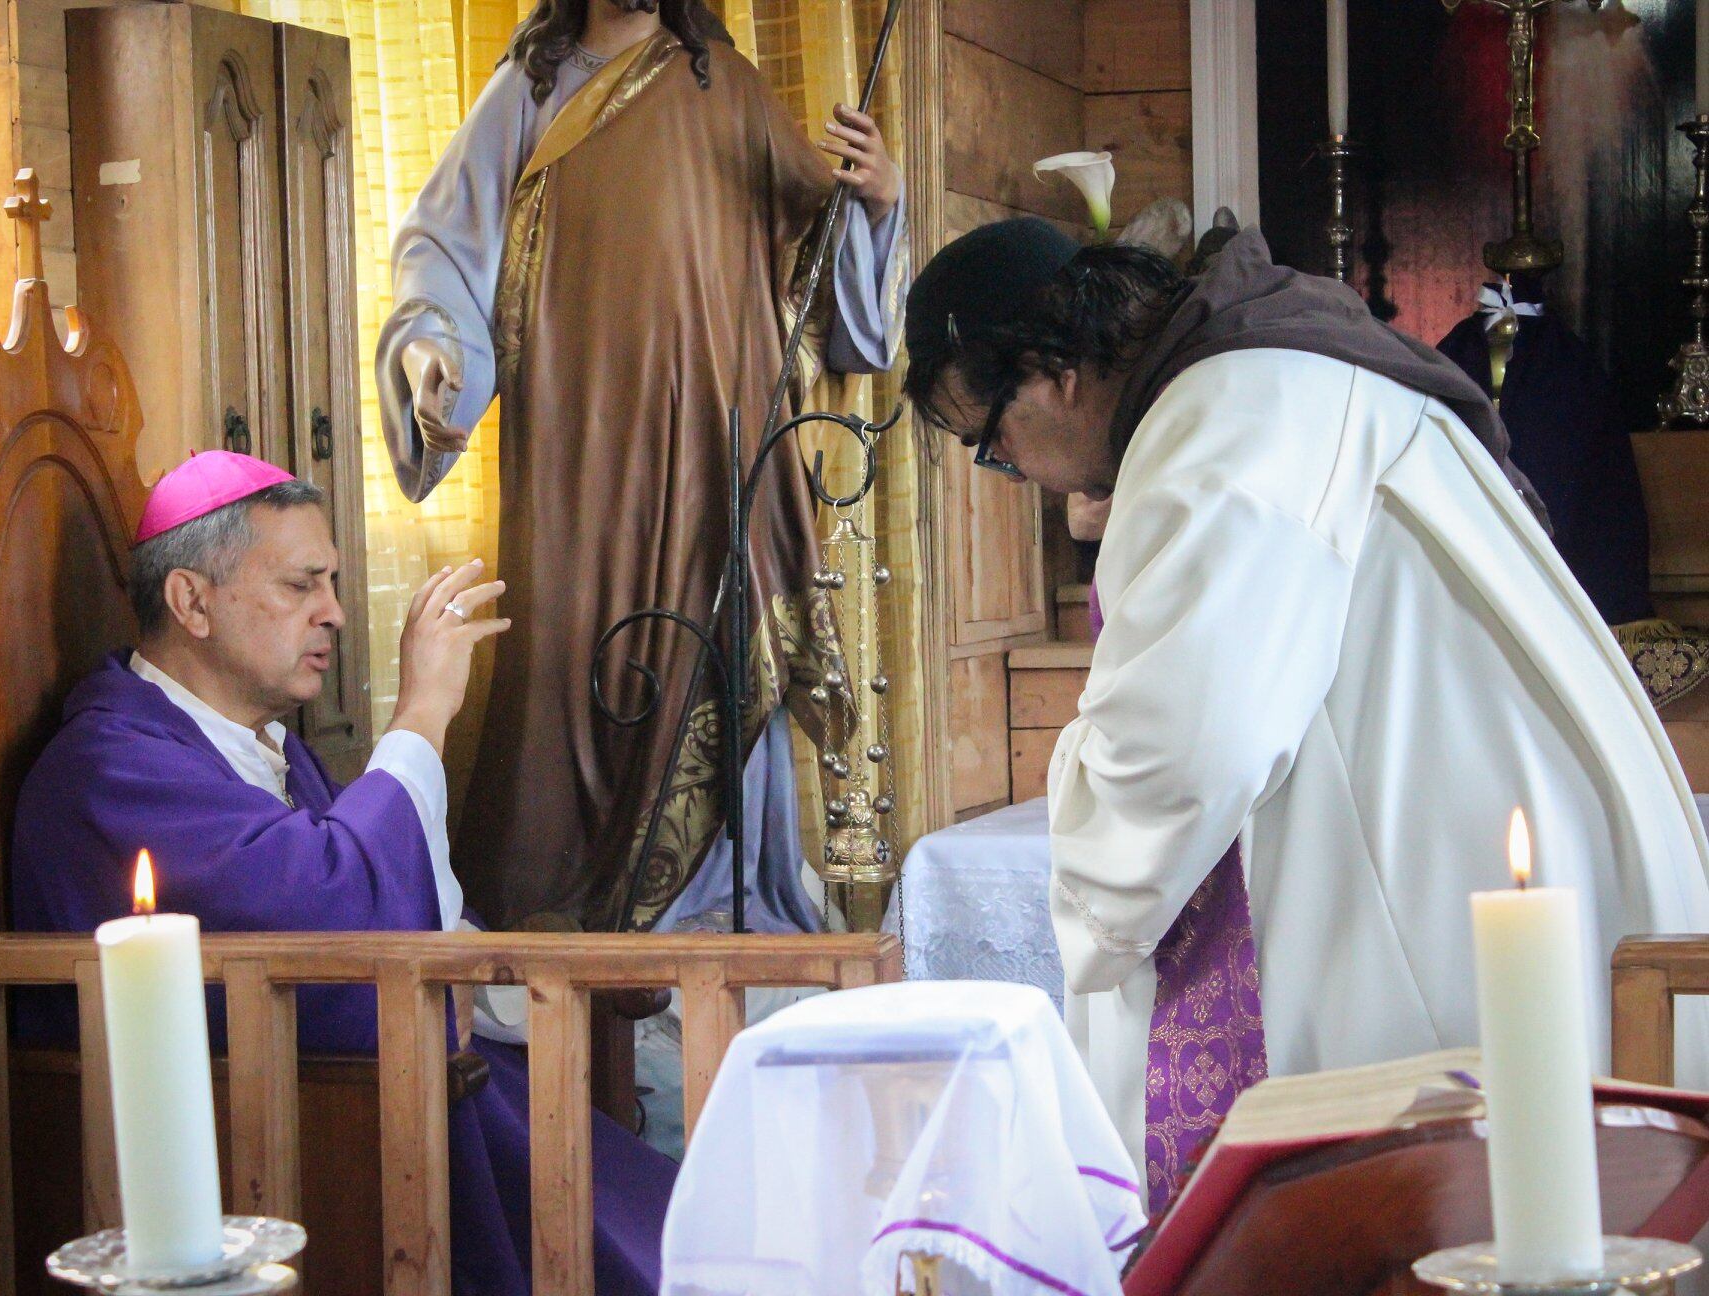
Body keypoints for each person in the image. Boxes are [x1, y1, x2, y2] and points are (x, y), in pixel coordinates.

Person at [901, 218, 1709, 1203]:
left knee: (1449, 1204)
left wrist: (1078, 780)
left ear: (1054, 375)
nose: (1014, 474)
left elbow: (1178, 757)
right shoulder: (1269, 366)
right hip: (1489, 835)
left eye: (992, 445)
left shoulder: (1227, 420)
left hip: (1442, 878)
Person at [11, 451, 675, 1294]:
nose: (334, 612)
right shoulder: (110, 767)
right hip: (265, 1133)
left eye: (332, 583)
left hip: (351, 1098)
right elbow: (344, 911)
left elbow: (395, 907)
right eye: (302, 585)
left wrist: (514, 986)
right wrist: (423, 710)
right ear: (191, 601)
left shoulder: (257, 745)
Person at [376, 0, 907, 934]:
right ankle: (584, 907)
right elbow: (443, 246)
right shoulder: (534, 87)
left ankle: (716, 912)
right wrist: (434, 357)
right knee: (578, 651)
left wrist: (871, 204)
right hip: (581, 458)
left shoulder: (724, 86)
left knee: (717, 643)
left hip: (717, 444)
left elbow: (827, 297)